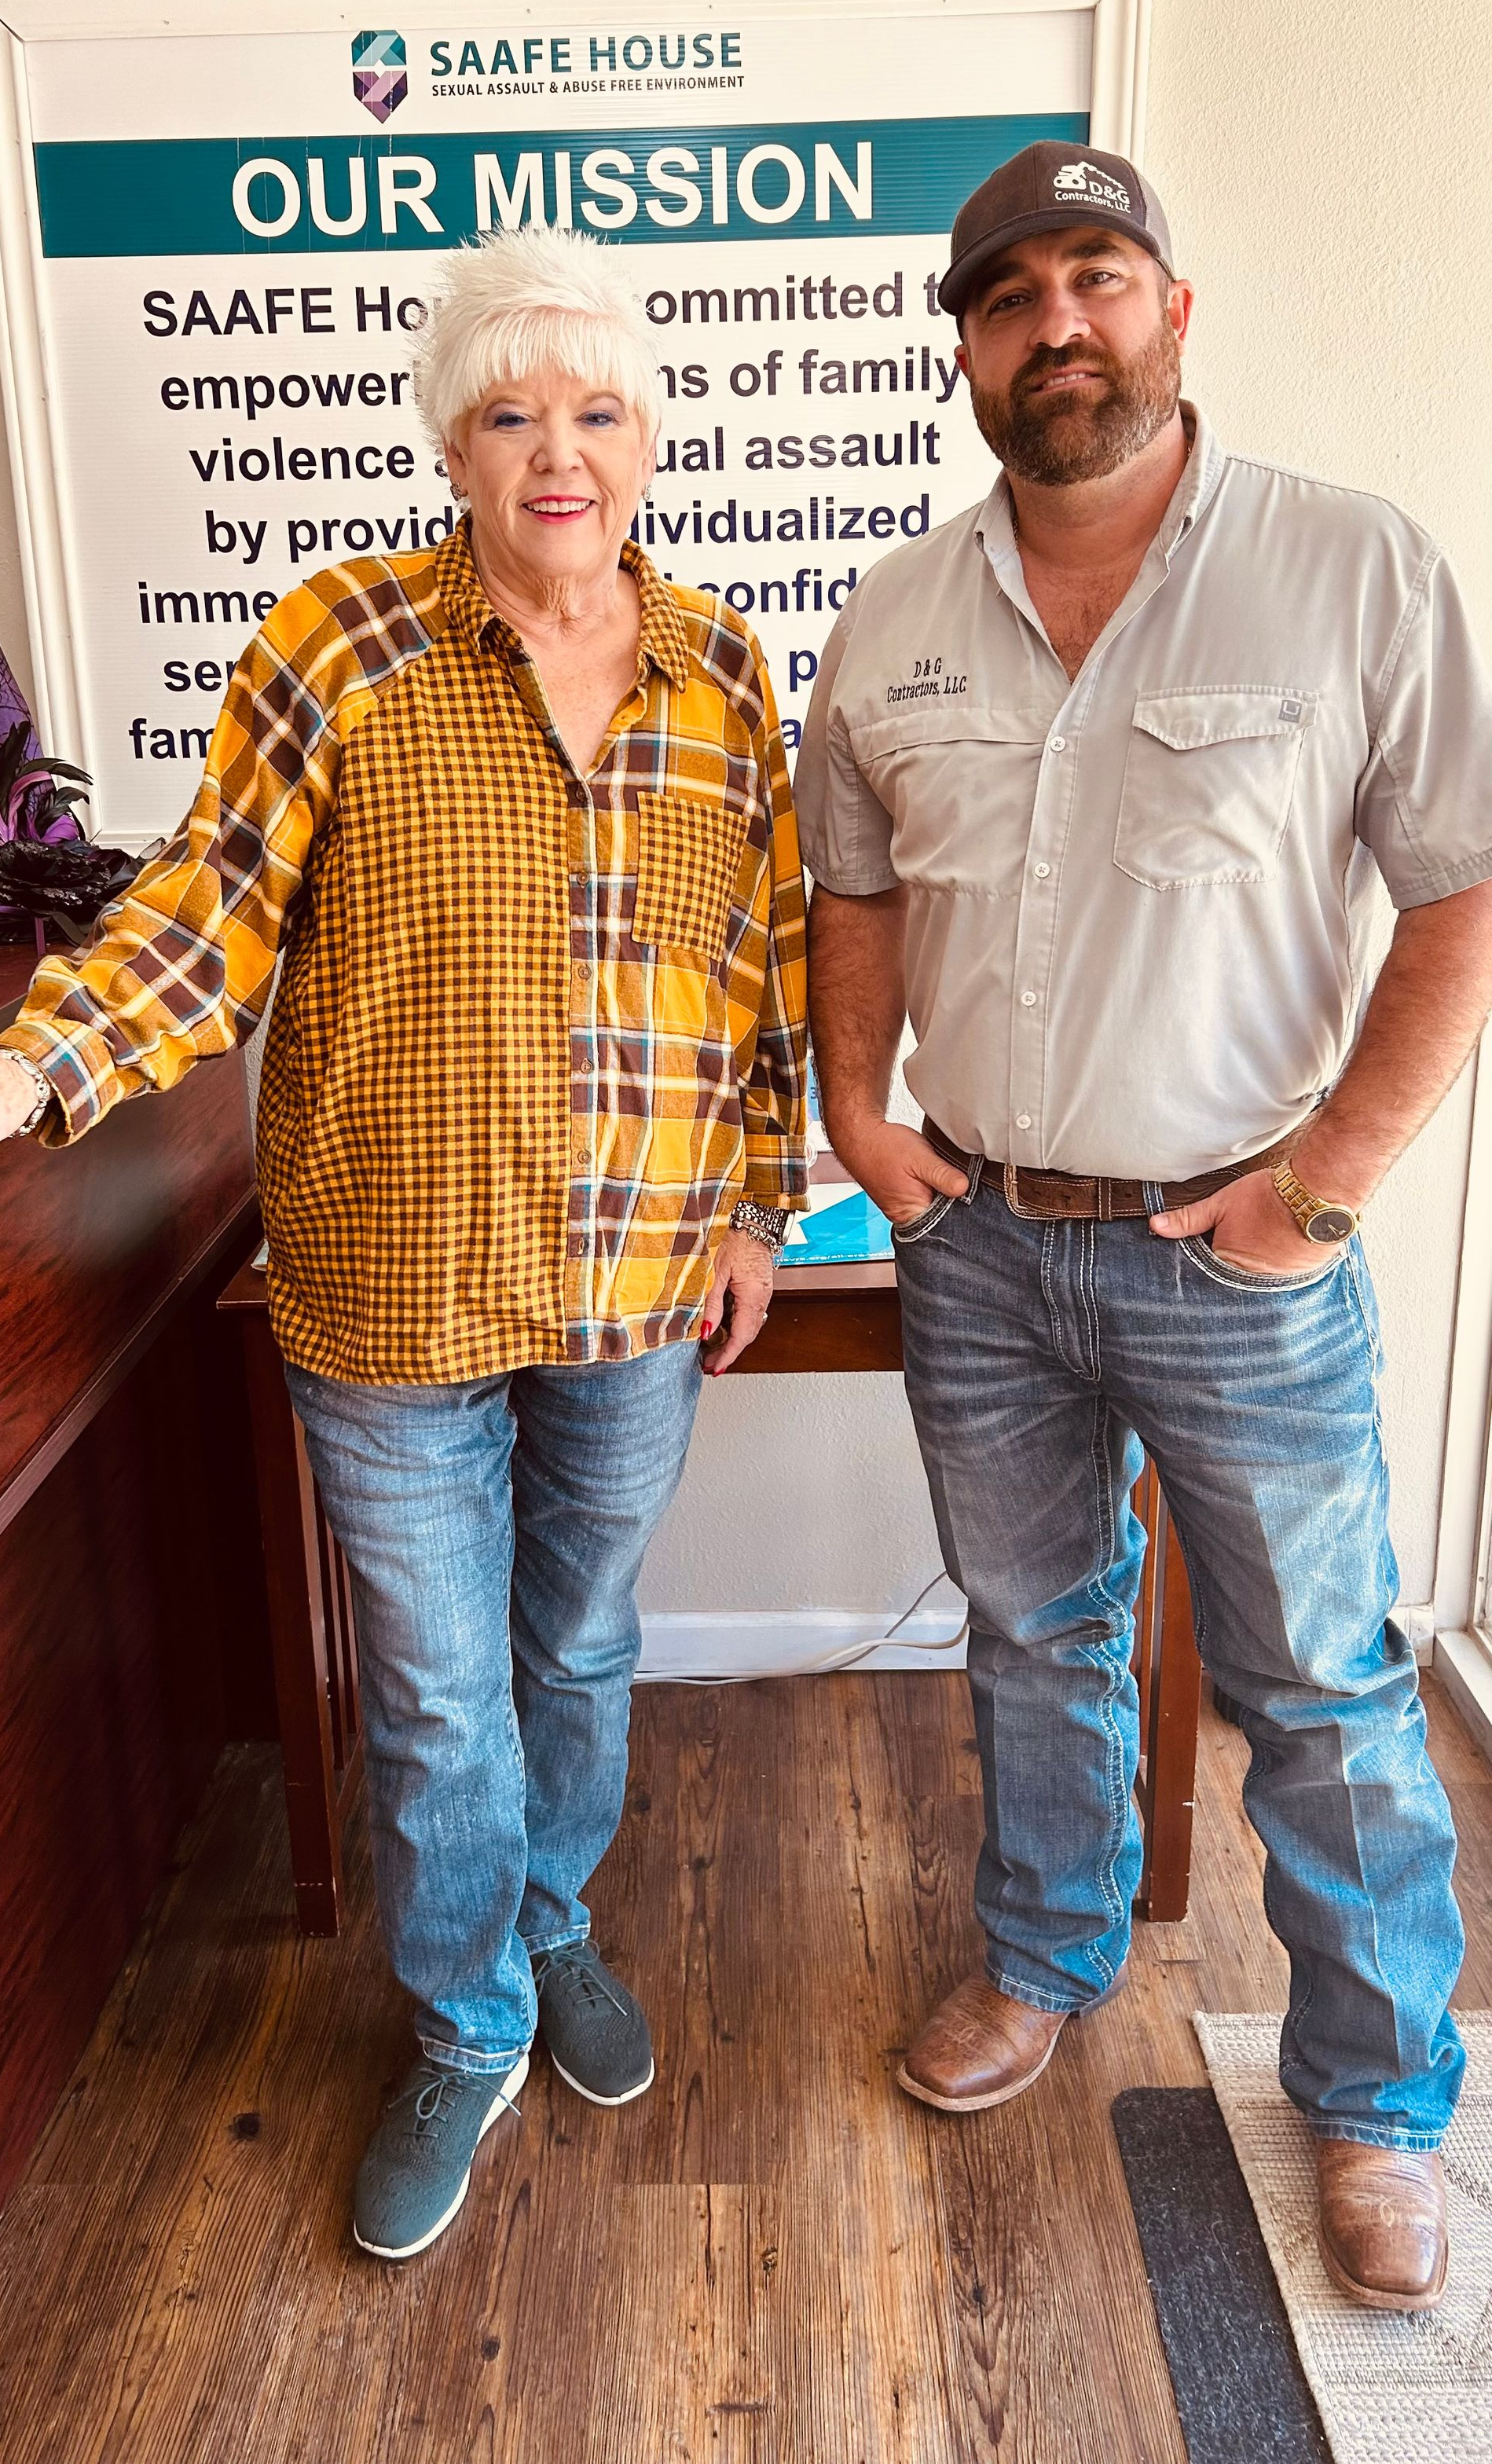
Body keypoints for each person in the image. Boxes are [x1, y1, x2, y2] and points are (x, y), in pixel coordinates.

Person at [0, 224, 808, 2262]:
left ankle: (548, 1929)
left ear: (648, 437)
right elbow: (204, 915)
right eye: (514, 410)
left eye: (599, 411)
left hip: (634, 1282)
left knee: (581, 1649)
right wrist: (28, 1069)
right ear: (452, 438)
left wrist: (764, 1202)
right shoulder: (337, 641)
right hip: (389, 1287)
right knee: (439, 1697)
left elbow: (765, 967)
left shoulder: (722, 673)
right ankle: (464, 2025)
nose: (560, 454)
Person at [797, 140, 1492, 2313]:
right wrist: (850, 1105)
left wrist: (1328, 1181)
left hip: (1240, 1252)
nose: (1057, 327)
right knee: (1034, 1640)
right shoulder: (895, 615)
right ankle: (1045, 1959)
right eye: (1009, 301)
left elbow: (1462, 892)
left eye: (1097, 280)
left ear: (1174, 312)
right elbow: (856, 893)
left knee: (1323, 1682)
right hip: (989, 1246)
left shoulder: (1355, 571)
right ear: (971, 354)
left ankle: (1380, 2101)